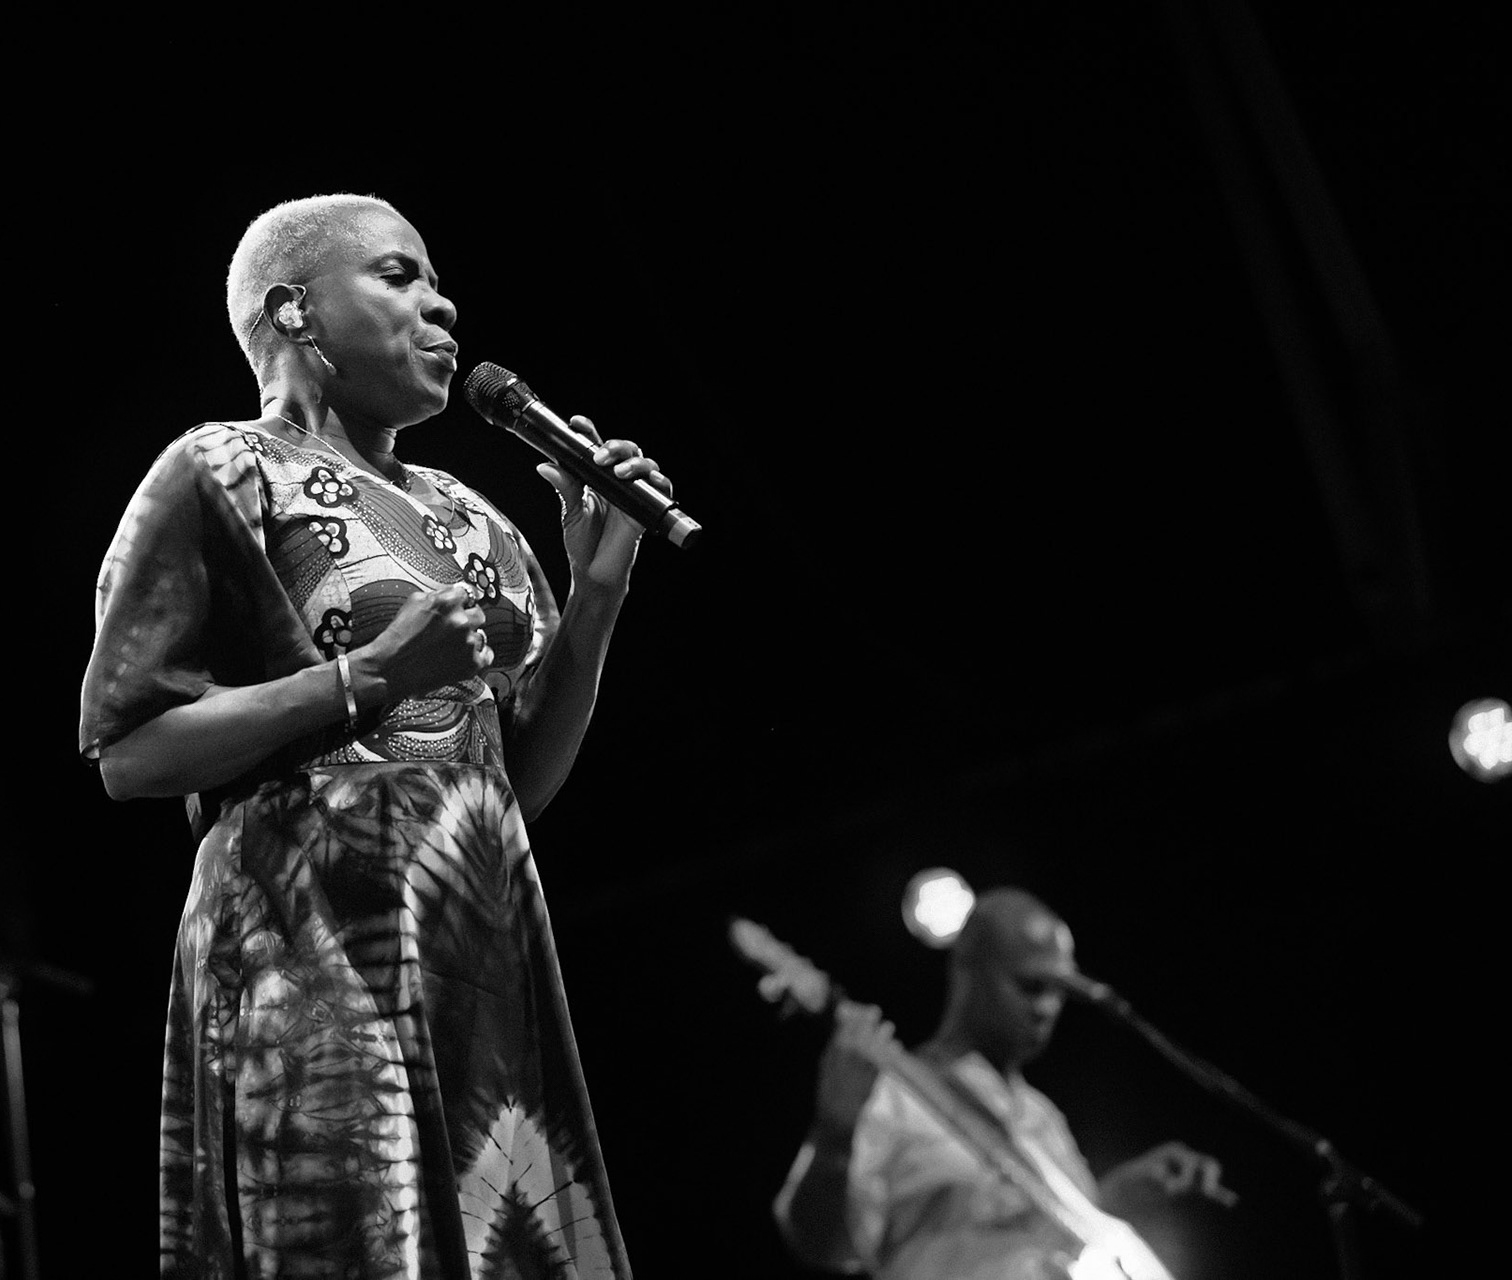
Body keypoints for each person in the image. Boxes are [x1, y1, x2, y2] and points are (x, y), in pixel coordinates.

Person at [77, 193, 663, 1278]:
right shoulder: (222, 468)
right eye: (399, 276)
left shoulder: (475, 517)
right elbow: (129, 752)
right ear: (296, 310)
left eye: (437, 282)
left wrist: (595, 594)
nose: (441, 305)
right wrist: (370, 677)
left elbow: (515, 787)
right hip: (309, 949)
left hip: (477, 952)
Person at [771, 888, 1233, 1278]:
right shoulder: (895, 1093)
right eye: (1031, 986)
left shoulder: (1043, 1116)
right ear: (968, 970)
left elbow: (1060, 1247)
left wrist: (1118, 1196)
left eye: (1059, 991)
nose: (1047, 1008)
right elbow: (819, 1244)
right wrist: (832, 1137)